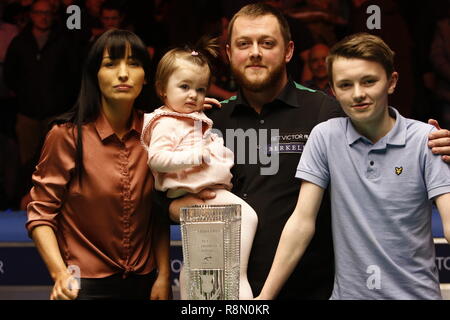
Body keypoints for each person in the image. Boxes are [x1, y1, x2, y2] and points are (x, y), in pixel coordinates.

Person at [167, 3, 450, 300]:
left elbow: (384, 132)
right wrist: (184, 206)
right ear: (228, 52)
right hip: (220, 291)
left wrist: (434, 143)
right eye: (243, 44)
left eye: (267, 43)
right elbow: (165, 200)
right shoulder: (207, 120)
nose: (255, 52)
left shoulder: (327, 116)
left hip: (310, 290)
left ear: (288, 51)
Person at [257, 33, 450, 300]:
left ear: (391, 82)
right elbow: (301, 222)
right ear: (333, 92)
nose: (358, 94)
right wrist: (263, 299)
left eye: (369, 81)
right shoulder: (325, 136)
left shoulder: (427, 139)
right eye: (345, 85)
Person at [26, 29, 171, 300]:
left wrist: (164, 276)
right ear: (95, 74)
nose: (123, 73)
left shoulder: (158, 132)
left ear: (146, 76)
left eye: (133, 63)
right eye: (110, 64)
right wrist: (60, 274)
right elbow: (41, 215)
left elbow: (157, 215)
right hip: (85, 285)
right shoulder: (66, 136)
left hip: (146, 283)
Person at [141, 38, 258, 300]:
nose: (193, 95)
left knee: (204, 260)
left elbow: (184, 120)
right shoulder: (164, 123)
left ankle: (207, 289)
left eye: (200, 89)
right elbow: (157, 159)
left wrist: (197, 113)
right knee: (246, 218)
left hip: (206, 194)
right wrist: (194, 156)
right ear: (162, 89)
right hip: (198, 196)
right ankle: (237, 288)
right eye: (184, 87)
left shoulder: (184, 116)